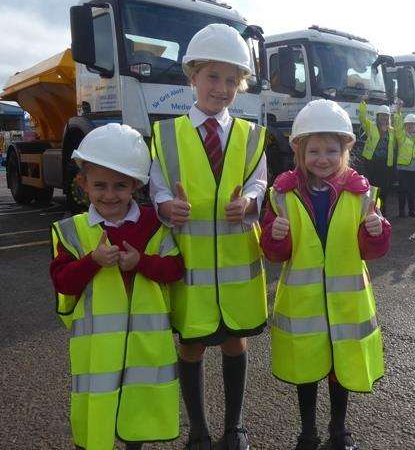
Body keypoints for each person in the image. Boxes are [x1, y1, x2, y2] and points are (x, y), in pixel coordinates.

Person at [149, 24, 268, 450]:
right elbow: (157, 183)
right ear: (192, 77)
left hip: (236, 269)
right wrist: (165, 205)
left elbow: (259, 181)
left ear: (241, 85)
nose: (221, 88)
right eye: (213, 77)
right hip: (192, 269)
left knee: (235, 341)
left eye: (231, 80)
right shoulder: (166, 134)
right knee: (192, 347)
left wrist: (251, 203)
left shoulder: (252, 135)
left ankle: (234, 427)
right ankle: (197, 430)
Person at [260, 99, 391, 450]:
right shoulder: (282, 195)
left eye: (331, 150)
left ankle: (338, 428)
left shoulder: (362, 195)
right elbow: (274, 253)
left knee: (339, 371)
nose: (322, 158)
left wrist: (377, 231)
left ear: (345, 149)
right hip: (304, 307)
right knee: (306, 372)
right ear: (299, 151)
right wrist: (274, 237)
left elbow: (371, 249)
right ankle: (307, 431)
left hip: (346, 308)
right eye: (313, 150)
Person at [50, 124, 182, 450]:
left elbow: (175, 269)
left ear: (135, 185)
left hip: (145, 350)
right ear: (82, 184)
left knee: (136, 416)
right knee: (97, 415)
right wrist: (92, 260)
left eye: (120, 186)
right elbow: (63, 282)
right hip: (98, 354)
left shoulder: (154, 224)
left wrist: (142, 263)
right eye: (100, 186)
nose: (110, 195)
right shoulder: (73, 230)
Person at [358, 99, 397, 217]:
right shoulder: (370, 126)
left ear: (388, 117)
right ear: (378, 116)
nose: (384, 118)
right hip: (371, 162)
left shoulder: (392, 131)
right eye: (382, 116)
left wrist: (398, 111)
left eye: (386, 116)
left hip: (386, 163)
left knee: (384, 189)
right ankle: (370, 210)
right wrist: (363, 103)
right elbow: (362, 118)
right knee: (372, 187)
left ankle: (382, 210)